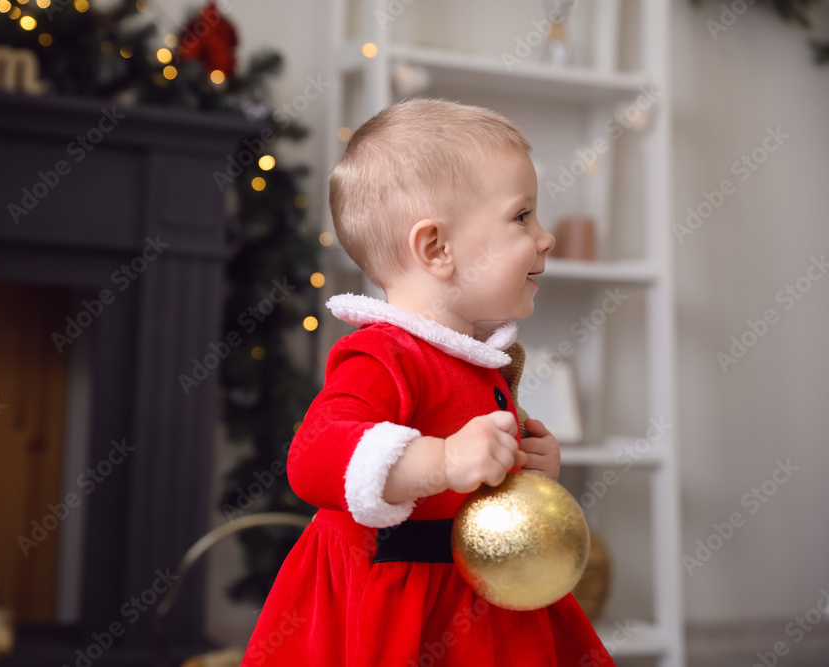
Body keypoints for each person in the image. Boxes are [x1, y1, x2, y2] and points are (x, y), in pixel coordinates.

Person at [241, 98, 614, 666]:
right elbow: (313, 457)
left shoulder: (477, 358)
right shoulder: (381, 353)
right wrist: (440, 462)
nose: (546, 238)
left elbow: (473, 474)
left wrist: (526, 472)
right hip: (397, 603)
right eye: (521, 217)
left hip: (476, 593)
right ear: (436, 249)